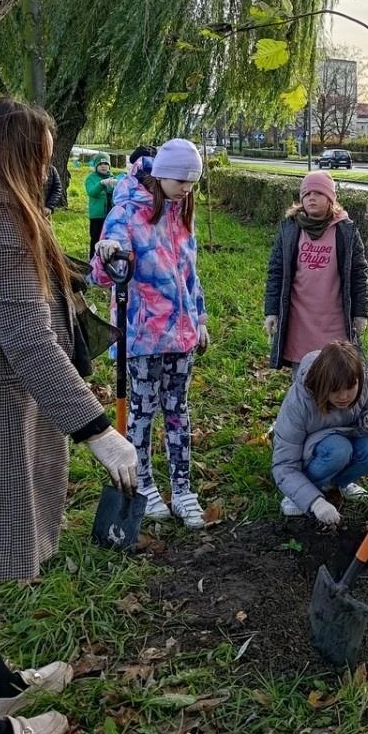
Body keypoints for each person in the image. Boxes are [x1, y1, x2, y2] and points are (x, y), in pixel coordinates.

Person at [0, 98, 138, 734]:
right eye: (44, 156)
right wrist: (97, 430)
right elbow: (28, 339)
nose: (49, 170)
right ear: (16, 156)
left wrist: (87, 265)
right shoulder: (1, 216)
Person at [91, 139, 209, 529]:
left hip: (182, 335)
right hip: (143, 337)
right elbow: (102, 275)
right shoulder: (125, 212)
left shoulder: (182, 213)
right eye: (180, 181)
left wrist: (200, 319)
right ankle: (143, 483)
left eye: (192, 182)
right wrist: (107, 253)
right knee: (142, 413)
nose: (186, 189)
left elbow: (190, 274)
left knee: (178, 411)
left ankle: (182, 488)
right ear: (160, 176)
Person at [264, 171, 368, 373]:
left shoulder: (345, 231)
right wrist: (272, 311)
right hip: (299, 323)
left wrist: (360, 312)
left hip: (334, 323)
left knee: (336, 376)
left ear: (330, 199)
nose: (311, 198)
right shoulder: (290, 229)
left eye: (319, 193)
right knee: (303, 378)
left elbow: (358, 274)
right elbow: (276, 271)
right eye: (307, 194)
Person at [272, 340, 368, 522]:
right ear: (321, 383)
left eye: (350, 387)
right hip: (311, 453)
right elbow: (284, 465)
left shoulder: (363, 382)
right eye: (335, 389)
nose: (344, 396)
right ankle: (301, 494)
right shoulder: (299, 403)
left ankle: (337, 483)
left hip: (344, 437)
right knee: (338, 449)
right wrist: (315, 503)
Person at [84, 152, 116, 259]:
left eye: (106, 164)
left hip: (110, 215)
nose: (103, 166)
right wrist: (101, 184)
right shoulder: (91, 179)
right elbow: (92, 192)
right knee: (96, 238)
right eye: (100, 164)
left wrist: (114, 186)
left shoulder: (112, 178)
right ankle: (93, 259)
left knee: (108, 238)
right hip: (97, 216)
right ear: (96, 166)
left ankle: (106, 259)